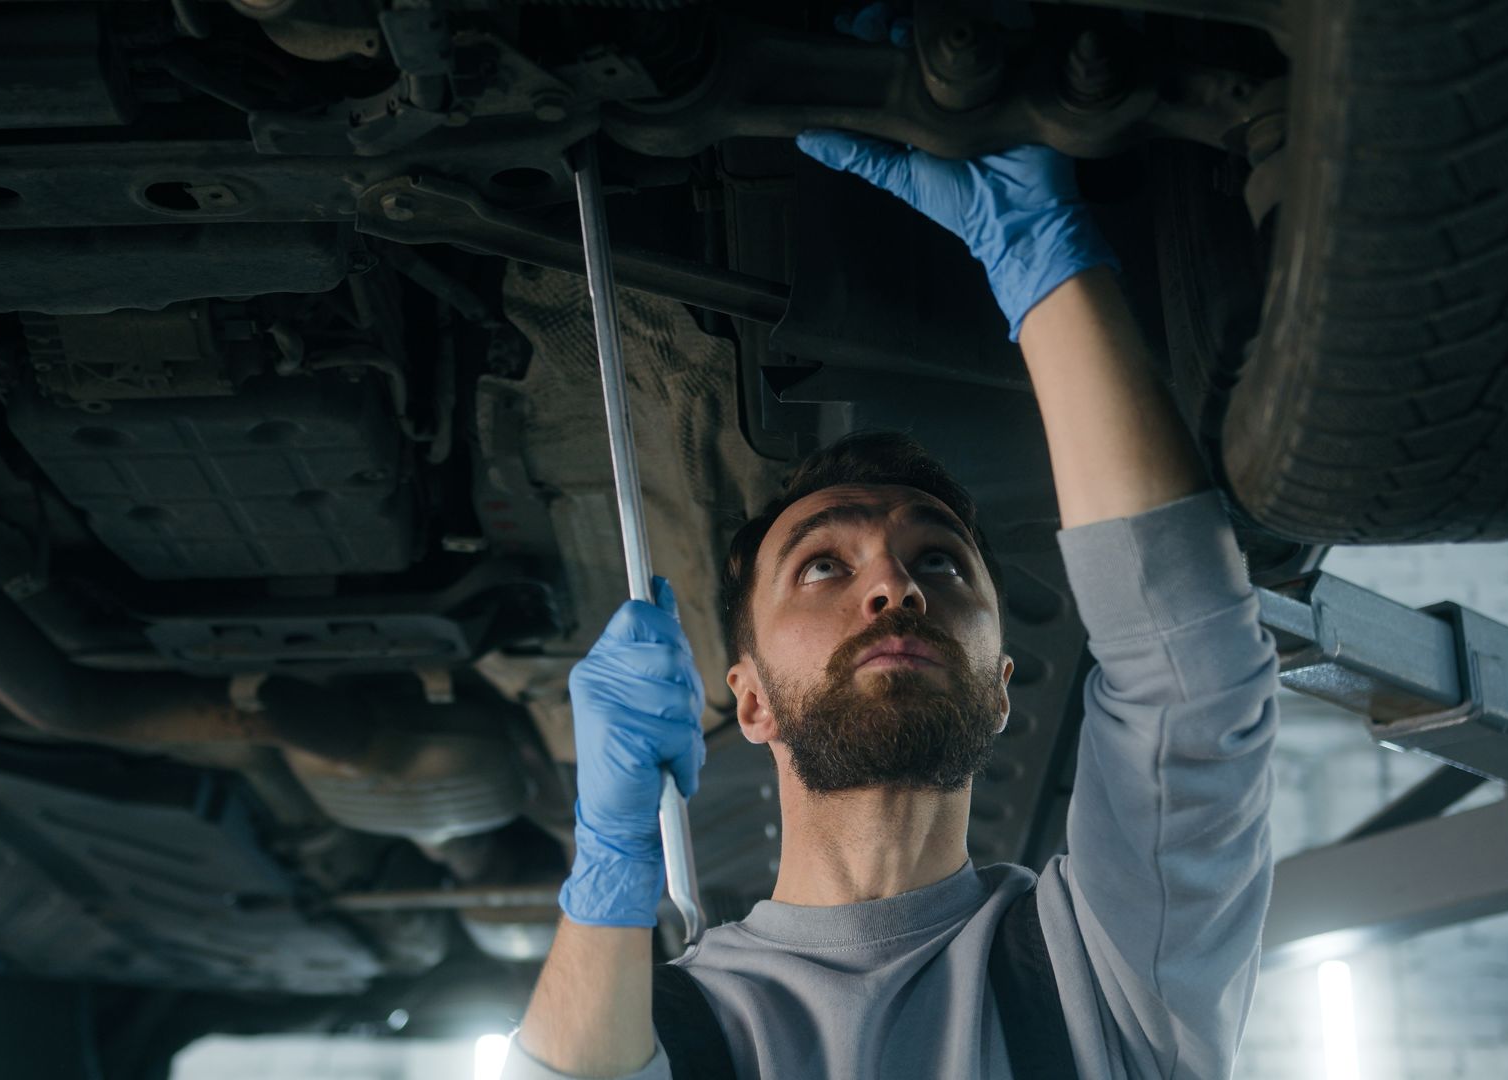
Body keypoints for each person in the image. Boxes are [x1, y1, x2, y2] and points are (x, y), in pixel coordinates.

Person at [503, 130, 1281, 1079]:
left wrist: (1044, 259)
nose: (896, 586)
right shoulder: (666, 1024)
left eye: (941, 563)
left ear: (1002, 687)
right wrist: (608, 870)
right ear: (748, 699)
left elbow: (1192, 675)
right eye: (823, 565)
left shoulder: (1106, 975)